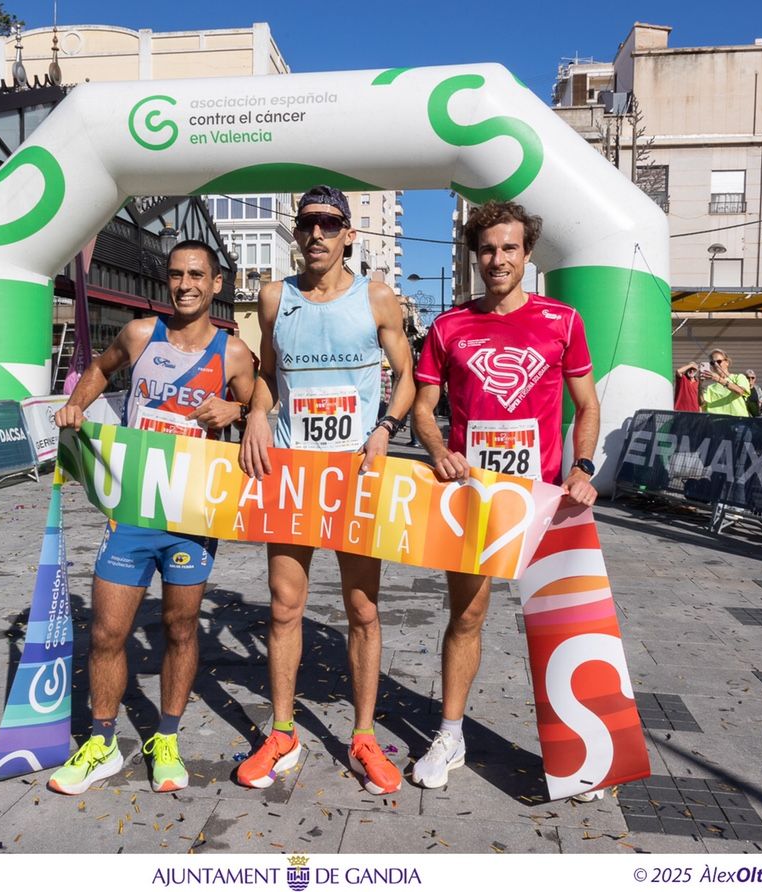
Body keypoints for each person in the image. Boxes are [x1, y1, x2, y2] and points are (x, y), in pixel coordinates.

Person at [48, 240, 256, 795]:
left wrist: (237, 408)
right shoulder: (142, 335)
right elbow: (99, 367)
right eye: (176, 275)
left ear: (216, 284)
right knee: (109, 631)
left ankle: (165, 737)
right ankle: (102, 743)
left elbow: (266, 400)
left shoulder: (233, 353)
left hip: (192, 514)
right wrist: (76, 404)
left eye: (197, 276)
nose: (185, 284)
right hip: (133, 509)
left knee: (180, 628)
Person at [409, 200, 600, 794]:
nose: (498, 259)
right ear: (476, 255)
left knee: (566, 621)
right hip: (476, 498)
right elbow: (422, 408)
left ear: (527, 253)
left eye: (509, 248)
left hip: (545, 500)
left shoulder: (563, 321)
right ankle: (450, 734)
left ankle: (584, 751)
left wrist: (584, 466)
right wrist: (439, 448)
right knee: (466, 617)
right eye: (487, 249)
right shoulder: (448, 327)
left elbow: (587, 405)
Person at [236, 185, 415, 795]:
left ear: (348, 234)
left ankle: (363, 737)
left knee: (362, 609)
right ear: (296, 231)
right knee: (284, 606)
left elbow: (409, 379)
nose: (317, 234)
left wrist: (386, 429)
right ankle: (282, 732)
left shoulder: (376, 297)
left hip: (353, 472)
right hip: (290, 472)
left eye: (329, 223)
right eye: (307, 223)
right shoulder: (273, 297)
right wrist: (255, 414)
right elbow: (266, 376)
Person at [700, 349, 750, 416]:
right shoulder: (710, 387)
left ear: (727, 362)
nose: (716, 365)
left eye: (719, 361)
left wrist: (719, 379)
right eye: (712, 363)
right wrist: (699, 384)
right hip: (717, 423)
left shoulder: (739, 377)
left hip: (737, 421)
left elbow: (740, 391)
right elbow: (701, 404)